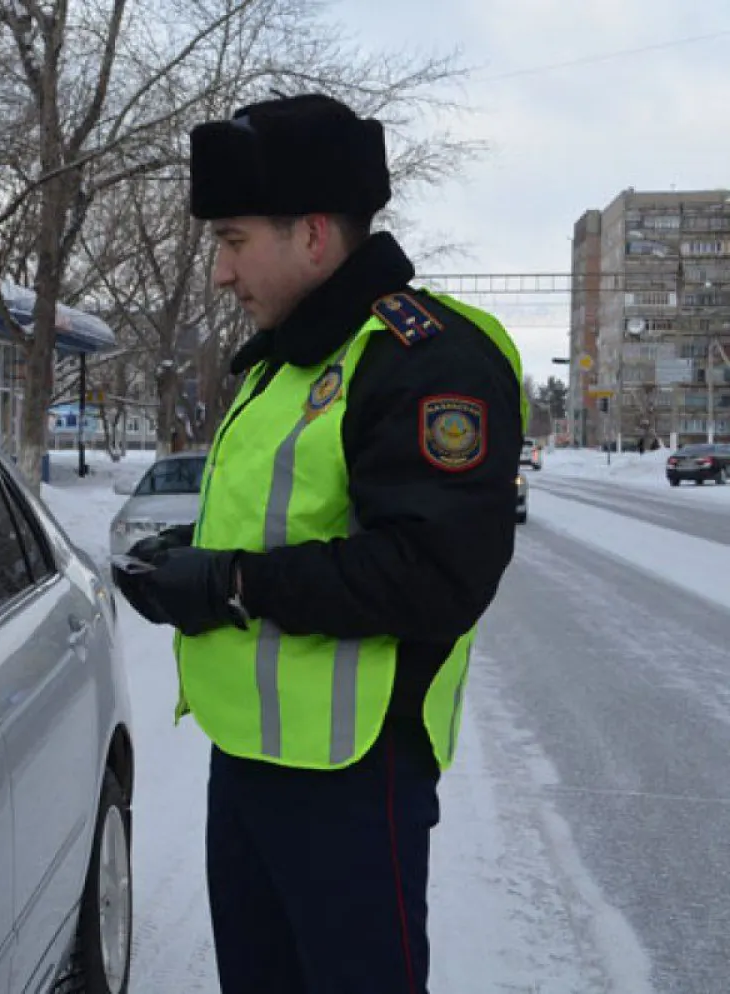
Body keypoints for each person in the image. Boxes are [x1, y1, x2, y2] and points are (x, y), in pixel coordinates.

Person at [111, 93, 526, 994]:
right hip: (252, 762)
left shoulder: (425, 359)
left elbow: (433, 572)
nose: (221, 274)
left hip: (352, 781)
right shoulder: (290, 360)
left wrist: (229, 584)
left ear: (310, 237)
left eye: (231, 241)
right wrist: (192, 555)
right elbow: (291, 520)